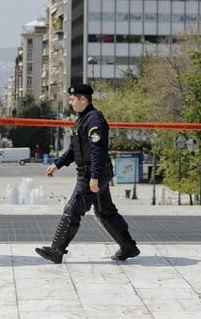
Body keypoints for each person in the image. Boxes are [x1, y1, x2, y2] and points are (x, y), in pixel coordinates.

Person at [35, 83, 139, 264]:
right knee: (105, 211)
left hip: (92, 172)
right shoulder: (83, 119)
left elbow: (98, 151)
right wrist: (57, 165)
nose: (70, 102)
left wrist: (95, 177)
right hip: (93, 171)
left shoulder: (94, 120)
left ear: (83, 99)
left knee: (73, 209)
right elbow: (74, 149)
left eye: (73, 99)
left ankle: (57, 250)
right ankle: (128, 246)